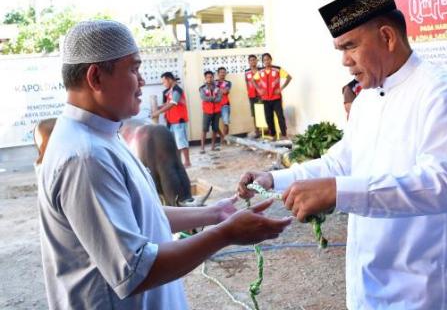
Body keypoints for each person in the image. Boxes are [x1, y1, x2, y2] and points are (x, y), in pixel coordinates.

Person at [238, 0, 447, 309]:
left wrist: (338, 192)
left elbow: (442, 185)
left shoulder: (440, 94)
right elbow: (340, 162)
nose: (345, 61)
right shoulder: (366, 99)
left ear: (387, 37)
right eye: (340, 50)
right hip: (369, 282)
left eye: (350, 46)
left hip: (424, 289)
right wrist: (274, 179)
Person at [37, 20, 291, 309]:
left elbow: (142, 214)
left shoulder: (103, 136)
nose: (143, 80)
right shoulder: (85, 157)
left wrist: (214, 214)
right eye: (133, 69)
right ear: (95, 78)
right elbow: (136, 272)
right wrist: (227, 234)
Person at [152, 71, 191, 167]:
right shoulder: (171, 91)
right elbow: (167, 103)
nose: (163, 84)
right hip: (172, 120)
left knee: (181, 141)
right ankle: (179, 161)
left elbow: (173, 103)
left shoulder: (177, 90)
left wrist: (158, 112)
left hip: (179, 120)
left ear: (169, 79)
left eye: (164, 82)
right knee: (176, 142)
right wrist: (158, 107)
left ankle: (187, 162)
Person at [252, 53, 292, 139]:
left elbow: (289, 77)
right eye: (264, 60)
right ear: (263, 62)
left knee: (280, 116)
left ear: (271, 59)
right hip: (265, 99)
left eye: (268, 59)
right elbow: (253, 80)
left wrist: (281, 88)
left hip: (276, 98)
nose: (266, 61)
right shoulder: (260, 71)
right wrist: (259, 89)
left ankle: (284, 135)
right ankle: (273, 134)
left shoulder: (277, 69)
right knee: (268, 118)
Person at [199, 70, 222, 153]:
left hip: (216, 111)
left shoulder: (218, 88)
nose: (209, 79)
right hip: (207, 111)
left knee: (215, 129)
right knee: (204, 129)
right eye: (207, 77)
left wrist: (210, 99)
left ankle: (212, 147)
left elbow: (219, 99)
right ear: (205, 78)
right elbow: (203, 98)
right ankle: (202, 148)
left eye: (211, 77)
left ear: (213, 78)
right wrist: (213, 98)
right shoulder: (202, 88)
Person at [244, 54, 261, 137]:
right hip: (252, 95)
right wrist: (248, 93)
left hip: (261, 94)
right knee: (255, 114)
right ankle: (257, 131)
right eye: (251, 60)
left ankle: (268, 130)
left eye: (254, 60)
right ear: (248, 62)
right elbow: (247, 83)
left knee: (264, 112)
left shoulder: (261, 70)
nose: (252, 61)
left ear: (257, 61)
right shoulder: (246, 72)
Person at [216, 67, 232, 137]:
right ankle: (223, 137)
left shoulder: (228, 83)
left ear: (225, 73)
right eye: (221, 72)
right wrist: (222, 90)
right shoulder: (214, 82)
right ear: (218, 73)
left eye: (224, 72)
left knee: (226, 122)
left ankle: (226, 138)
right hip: (216, 105)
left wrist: (216, 89)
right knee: (214, 124)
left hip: (225, 105)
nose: (222, 74)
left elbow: (225, 92)